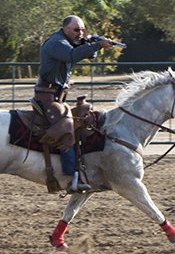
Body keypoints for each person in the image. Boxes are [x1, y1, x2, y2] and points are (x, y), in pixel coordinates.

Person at [34, 15, 115, 193]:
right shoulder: (57, 43)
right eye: (76, 30)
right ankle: (71, 178)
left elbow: (86, 54)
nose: (80, 33)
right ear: (65, 30)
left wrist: (92, 44)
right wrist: (95, 45)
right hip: (47, 96)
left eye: (82, 30)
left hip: (57, 95)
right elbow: (71, 56)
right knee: (66, 128)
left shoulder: (67, 41)